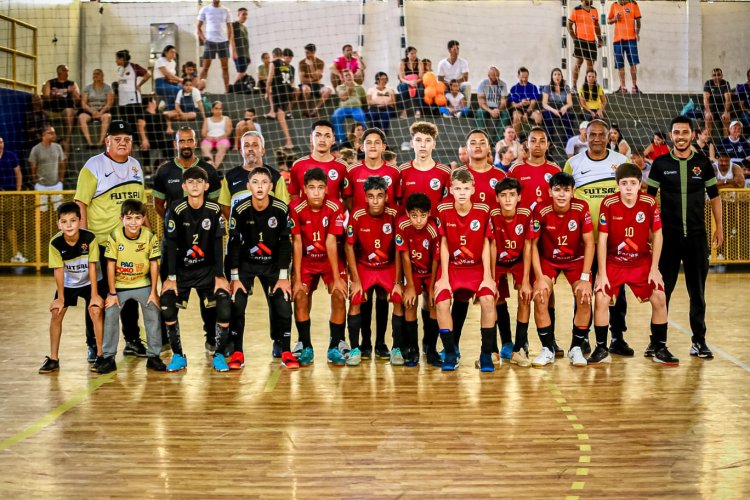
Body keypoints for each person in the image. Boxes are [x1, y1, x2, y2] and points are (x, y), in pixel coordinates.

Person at [646, 115, 722, 359]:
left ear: (692, 134)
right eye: (676, 132)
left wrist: (719, 227)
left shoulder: (703, 163)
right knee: (662, 292)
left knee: (697, 293)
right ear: (671, 136)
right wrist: (649, 232)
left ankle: (698, 341)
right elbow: (648, 200)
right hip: (667, 238)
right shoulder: (659, 164)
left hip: (697, 238)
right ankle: (657, 342)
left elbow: (715, 197)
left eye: (685, 132)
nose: (680, 136)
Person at [591, 163, 677, 365]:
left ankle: (659, 347)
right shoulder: (609, 203)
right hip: (614, 261)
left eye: (632, 183)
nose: (628, 188)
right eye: (624, 183)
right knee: (601, 297)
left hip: (640, 261)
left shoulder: (648, 202)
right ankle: (602, 348)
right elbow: (602, 239)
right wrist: (601, 273)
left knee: (659, 296)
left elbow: (657, 234)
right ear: (617, 185)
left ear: (640, 184)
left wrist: (654, 268)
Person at [75, 120, 147, 357]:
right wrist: (84, 240)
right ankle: (93, 346)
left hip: (129, 243)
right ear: (107, 141)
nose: (122, 143)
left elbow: (140, 206)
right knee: (96, 295)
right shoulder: (93, 166)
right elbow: (81, 204)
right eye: (117, 139)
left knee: (129, 294)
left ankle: (133, 341)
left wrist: (146, 237)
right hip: (101, 243)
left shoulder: (136, 166)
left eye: (127, 139)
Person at [564, 119, 630, 354]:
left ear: (609, 136)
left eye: (602, 134)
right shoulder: (573, 163)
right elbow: (566, 201)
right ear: (586, 135)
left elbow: (629, 197)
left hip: (614, 241)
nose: (598, 138)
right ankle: (582, 337)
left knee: (616, 290)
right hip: (585, 242)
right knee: (583, 288)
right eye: (593, 134)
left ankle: (617, 337)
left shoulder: (621, 162)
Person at [160, 166, 231, 372]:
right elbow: (170, 245)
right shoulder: (176, 208)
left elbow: (219, 244)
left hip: (207, 271)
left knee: (225, 304)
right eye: (190, 182)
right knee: (167, 303)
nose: (195, 185)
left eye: (199, 182)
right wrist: (170, 277)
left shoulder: (214, 209)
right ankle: (178, 355)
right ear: (183, 186)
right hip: (181, 271)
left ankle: (218, 354)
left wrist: (220, 276)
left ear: (206, 186)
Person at [227, 166, 295, 369]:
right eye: (255, 182)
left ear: (271, 186)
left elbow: (285, 243)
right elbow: (233, 244)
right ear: (248, 186)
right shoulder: (239, 210)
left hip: (273, 264)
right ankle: (237, 350)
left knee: (283, 304)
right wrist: (235, 277)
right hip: (246, 264)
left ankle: (285, 350)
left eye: (264, 182)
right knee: (237, 303)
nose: (259, 186)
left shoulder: (281, 209)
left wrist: (284, 276)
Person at [434, 167, 497, 371]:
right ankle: (451, 353)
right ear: (451, 190)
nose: (462, 192)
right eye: (458, 188)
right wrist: (443, 276)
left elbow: (487, 243)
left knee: (488, 300)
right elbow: (443, 242)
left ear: (473, 189)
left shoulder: (483, 210)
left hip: (476, 267)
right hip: (452, 267)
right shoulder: (443, 209)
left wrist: (488, 276)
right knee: (442, 302)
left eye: (466, 188)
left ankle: (486, 354)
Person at [529, 172, 594, 367]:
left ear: (573, 192)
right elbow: (532, 244)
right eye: (557, 190)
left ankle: (576, 348)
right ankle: (548, 348)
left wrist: (584, 278)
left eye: (566, 190)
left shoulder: (581, 208)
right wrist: (539, 277)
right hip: (548, 260)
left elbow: (589, 243)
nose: (561, 194)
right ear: (550, 191)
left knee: (584, 295)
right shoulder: (540, 209)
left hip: (576, 259)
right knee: (540, 294)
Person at [289, 167, 348, 366]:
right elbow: (297, 243)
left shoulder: (335, 206)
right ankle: (305, 345)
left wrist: (338, 278)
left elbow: (332, 242)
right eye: (312, 188)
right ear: (304, 189)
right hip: (306, 260)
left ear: (326, 189)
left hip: (328, 259)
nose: (316, 192)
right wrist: (296, 279)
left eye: (320, 187)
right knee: (299, 295)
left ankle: (335, 344)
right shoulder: (295, 207)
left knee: (339, 293)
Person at [98, 200, 163, 374]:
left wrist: (154, 291)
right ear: (122, 219)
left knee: (153, 315)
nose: (133, 222)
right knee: (110, 313)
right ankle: (108, 357)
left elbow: (154, 264)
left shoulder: (150, 236)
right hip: (120, 286)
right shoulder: (114, 236)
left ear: (143, 219)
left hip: (143, 283)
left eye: (137, 218)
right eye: (129, 218)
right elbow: (110, 265)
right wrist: (112, 293)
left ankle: (154, 356)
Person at [39, 202, 104, 373]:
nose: (69, 225)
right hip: (68, 283)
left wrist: (95, 295)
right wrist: (60, 298)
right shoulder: (55, 242)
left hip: (89, 282)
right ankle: (53, 359)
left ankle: (100, 355)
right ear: (58, 224)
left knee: (96, 310)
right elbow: (58, 270)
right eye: (64, 222)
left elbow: (92, 267)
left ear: (80, 221)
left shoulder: (90, 238)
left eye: (73, 221)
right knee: (56, 313)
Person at [345, 176, 402, 366]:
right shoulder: (357, 215)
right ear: (365, 197)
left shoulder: (395, 213)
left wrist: (398, 281)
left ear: (386, 196)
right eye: (371, 196)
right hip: (364, 266)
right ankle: (359, 346)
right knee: (357, 299)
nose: (375, 201)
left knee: (394, 298)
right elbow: (349, 247)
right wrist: (355, 279)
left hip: (388, 266)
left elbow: (401, 248)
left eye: (379, 196)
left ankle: (388, 346)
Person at [489, 178, 533, 367]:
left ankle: (519, 347)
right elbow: (488, 246)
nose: (508, 199)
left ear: (519, 197)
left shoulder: (526, 214)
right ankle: (499, 346)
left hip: (518, 261)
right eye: (503, 195)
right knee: (492, 297)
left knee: (525, 296)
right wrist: (490, 278)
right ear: (497, 198)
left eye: (512, 195)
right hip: (497, 262)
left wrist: (525, 280)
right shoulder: (491, 215)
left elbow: (529, 246)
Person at [396, 193, 440, 366]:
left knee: (433, 303)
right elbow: (405, 256)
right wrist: (410, 286)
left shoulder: (433, 228)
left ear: (429, 214)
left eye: (422, 215)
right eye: (414, 215)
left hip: (431, 271)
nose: (418, 220)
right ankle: (412, 348)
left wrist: (431, 289)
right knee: (410, 302)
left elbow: (436, 259)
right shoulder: (402, 225)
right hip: (413, 270)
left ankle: (430, 348)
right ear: (407, 214)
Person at [219, 131, 290, 221]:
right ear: (241, 151)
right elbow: (225, 207)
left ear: (263, 151)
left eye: (255, 145)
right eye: (246, 145)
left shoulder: (276, 177)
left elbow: (283, 208)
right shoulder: (230, 176)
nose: (250, 149)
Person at [288, 120, 348, 201]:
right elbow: (294, 194)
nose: (322, 140)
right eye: (318, 135)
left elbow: (347, 198)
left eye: (327, 136)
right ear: (311, 138)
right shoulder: (298, 165)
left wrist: (336, 212)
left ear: (333, 139)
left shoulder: (343, 166)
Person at [399, 121, 451, 211]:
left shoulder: (445, 172)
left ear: (434, 144)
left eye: (427, 140)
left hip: (435, 224)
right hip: (408, 224)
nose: (423, 145)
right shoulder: (401, 171)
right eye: (418, 140)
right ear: (411, 143)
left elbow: (448, 205)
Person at [508, 127, 561, 212]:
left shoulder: (555, 170)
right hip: (523, 222)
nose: (537, 144)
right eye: (533, 141)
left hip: (549, 222)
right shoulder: (515, 169)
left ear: (547, 145)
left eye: (542, 141)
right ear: (527, 144)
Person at [196, 0, 235, 94]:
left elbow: (230, 28)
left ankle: (227, 92)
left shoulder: (226, 10)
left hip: (223, 42)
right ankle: (198, 91)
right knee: (205, 68)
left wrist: (229, 41)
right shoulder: (205, 9)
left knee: (225, 68)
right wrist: (204, 39)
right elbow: (198, 27)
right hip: (210, 42)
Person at [464, 129, 506, 208]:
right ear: (466, 149)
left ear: (489, 148)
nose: (478, 146)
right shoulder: (457, 175)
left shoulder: (501, 175)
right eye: (473, 143)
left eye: (482, 143)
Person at [41, 64, 79, 151]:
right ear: (59, 72)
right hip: (51, 109)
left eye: (67, 71)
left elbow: (77, 100)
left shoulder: (72, 84)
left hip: (66, 108)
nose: (67, 72)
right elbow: (46, 96)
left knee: (69, 111)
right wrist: (53, 95)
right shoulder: (50, 83)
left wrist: (73, 93)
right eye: (64, 70)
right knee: (42, 113)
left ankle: (67, 139)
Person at [608, 0, 642, 94]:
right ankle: (623, 87)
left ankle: (634, 86)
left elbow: (638, 20)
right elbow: (608, 20)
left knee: (633, 63)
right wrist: (614, 19)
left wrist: (637, 33)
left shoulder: (633, 4)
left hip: (631, 39)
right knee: (620, 65)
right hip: (617, 40)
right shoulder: (614, 5)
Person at [29, 126, 66, 212]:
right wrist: (35, 180)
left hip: (56, 184)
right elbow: (33, 166)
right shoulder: (36, 149)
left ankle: (57, 226)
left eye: (54, 133)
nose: (54, 135)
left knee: (59, 210)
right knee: (42, 211)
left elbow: (62, 163)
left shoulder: (58, 147)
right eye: (51, 133)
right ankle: (42, 226)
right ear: (43, 135)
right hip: (41, 185)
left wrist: (61, 178)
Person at [568, 0, 602, 90]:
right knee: (579, 62)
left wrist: (600, 38)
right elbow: (569, 24)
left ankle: (586, 86)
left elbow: (596, 25)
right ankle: (574, 86)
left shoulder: (594, 10)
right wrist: (574, 38)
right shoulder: (576, 10)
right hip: (580, 40)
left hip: (591, 41)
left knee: (590, 66)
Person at [0, 137, 25, 262]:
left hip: (11, 196)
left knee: (12, 225)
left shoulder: (10, 156)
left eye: (2, 141)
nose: (1, 144)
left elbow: (18, 174)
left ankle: (15, 254)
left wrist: (18, 190)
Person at [266, 48, 296, 150]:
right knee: (271, 93)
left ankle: (289, 141)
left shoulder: (273, 63)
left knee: (281, 117)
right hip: (287, 90)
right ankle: (271, 111)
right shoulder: (288, 65)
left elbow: (269, 79)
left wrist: (266, 91)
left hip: (279, 90)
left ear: (273, 55)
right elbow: (291, 81)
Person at [79, 68, 114, 148]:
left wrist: (100, 112)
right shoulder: (87, 88)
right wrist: (92, 112)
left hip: (103, 110)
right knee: (82, 117)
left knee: (107, 117)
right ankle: (89, 142)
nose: (95, 76)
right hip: (90, 111)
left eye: (98, 74)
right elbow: (83, 103)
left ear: (102, 76)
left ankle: (100, 142)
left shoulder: (108, 88)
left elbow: (109, 103)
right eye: (94, 74)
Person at [114, 50, 150, 124]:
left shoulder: (134, 67)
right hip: (122, 101)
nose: (115, 60)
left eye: (117, 58)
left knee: (134, 123)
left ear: (122, 59)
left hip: (133, 100)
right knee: (125, 122)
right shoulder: (120, 69)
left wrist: (139, 85)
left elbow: (148, 74)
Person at [136, 97, 172, 170]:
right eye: (154, 100)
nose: (156, 102)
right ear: (150, 103)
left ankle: (169, 164)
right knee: (144, 145)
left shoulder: (159, 113)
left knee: (170, 142)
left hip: (161, 138)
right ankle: (147, 168)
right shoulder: (144, 114)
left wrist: (169, 127)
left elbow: (167, 118)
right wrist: (144, 139)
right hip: (150, 139)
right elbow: (140, 126)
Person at [333, 69, 367, 144]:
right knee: (335, 116)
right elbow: (342, 97)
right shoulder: (339, 87)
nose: (348, 77)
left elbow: (364, 100)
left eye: (350, 75)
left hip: (356, 108)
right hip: (343, 109)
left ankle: (363, 138)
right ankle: (341, 140)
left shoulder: (360, 87)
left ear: (353, 76)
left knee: (361, 116)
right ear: (343, 78)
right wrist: (349, 88)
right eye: (346, 76)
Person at [541, 68, 575, 143]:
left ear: (562, 77)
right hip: (551, 108)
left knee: (568, 117)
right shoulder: (547, 88)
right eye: (555, 74)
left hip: (563, 108)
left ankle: (568, 142)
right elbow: (544, 104)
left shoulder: (566, 87)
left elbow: (570, 103)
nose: (557, 76)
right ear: (552, 77)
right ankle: (549, 142)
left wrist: (565, 107)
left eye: (559, 74)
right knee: (547, 117)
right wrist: (553, 110)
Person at [476, 66, 510, 141]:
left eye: (498, 76)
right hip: (486, 108)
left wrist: (498, 110)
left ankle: (498, 140)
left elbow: (503, 100)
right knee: (479, 112)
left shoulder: (503, 84)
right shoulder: (482, 84)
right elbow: (481, 101)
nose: (497, 78)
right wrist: (490, 111)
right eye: (494, 76)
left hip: (498, 108)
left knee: (506, 114)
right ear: (489, 76)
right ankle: (482, 137)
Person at [298, 43, 332, 118]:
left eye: (307, 53)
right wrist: (314, 79)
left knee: (328, 90)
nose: (306, 54)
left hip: (317, 85)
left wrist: (311, 66)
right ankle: (307, 110)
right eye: (305, 52)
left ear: (313, 53)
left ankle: (315, 110)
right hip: (306, 85)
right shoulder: (302, 62)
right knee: (306, 89)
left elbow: (316, 76)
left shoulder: (320, 62)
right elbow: (302, 79)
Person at [509, 67, 543, 135]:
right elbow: (513, 105)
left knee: (538, 116)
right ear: (518, 76)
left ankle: (535, 137)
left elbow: (533, 103)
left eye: (526, 77)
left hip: (530, 109)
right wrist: (521, 103)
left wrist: (527, 113)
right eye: (522, 77)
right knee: (517, 117)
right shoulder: (514, 88)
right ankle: (516, 140)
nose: (524, 79)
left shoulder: (533, 87)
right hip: (518, 110)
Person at [437, 40, 470, 106]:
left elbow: (465, 78)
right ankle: (443, 107)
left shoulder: (463, 62)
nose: (457, 51)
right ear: (449, 50)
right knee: (439, 85)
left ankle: (466, 108)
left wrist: (454, 84)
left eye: (458, 49)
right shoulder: (442, 63)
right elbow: (440, 79)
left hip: (458, 84)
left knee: (467, 85)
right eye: (455, 49)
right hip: (446, 84)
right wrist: (449, 84)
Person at [201, 100, 232, 168]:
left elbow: (228, 132)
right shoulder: (207, 120)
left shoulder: (226, 119)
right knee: (204, 148)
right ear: (212, 110)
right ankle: (211, 165)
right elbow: (203, 133)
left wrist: (219, 138)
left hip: (222, 139)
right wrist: (208, 137)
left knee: (222, 148)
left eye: (220, 108)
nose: (218, 110)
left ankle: (215, 168)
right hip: (209, 139)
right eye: (216, 108)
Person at [702, 68, 732, 137]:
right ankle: (708, 142)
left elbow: (728, 99)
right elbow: (705, 98)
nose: (716, 77)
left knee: (726, 118)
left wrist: (726, 112)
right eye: (714, 75)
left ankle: (726, 142)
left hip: (722, 108)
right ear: (712, 76)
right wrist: (708, 112)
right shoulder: (708, 83)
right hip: (711, 108)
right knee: (708, 118)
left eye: (718, 75)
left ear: (722, 75)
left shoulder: (725, 83)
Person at [397, 46, 424, 119]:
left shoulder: (419, 62)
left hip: (416, 82)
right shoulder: (402, 62)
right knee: (402, 86)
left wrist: (415, 81)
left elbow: (421, 77)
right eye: (412, 53)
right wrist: (409, 82)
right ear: (407, 54)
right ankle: (404, 110)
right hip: (406, 82)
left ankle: (418, 110)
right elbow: (401, 78)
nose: (414, 55)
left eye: (415, 53)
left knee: (421, 87)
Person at [153, 45, 183, 111]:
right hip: (160, 84)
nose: (173, 54)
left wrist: (179, 82)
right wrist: (180, 79)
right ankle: (168, 109)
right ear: (166, 52)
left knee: (182, 89)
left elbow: (171, 77)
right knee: (176, 90)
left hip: (170, 83)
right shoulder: (160, 60)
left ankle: (173, 108)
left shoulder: (173, 63)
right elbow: (167, 74)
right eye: (171, 52)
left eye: (174, 52)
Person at [231, 7, 251, 86]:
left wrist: (249, 56)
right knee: (241, 73)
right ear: (238, 15)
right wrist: (233, 51)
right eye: (243, 14)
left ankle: (236, 88)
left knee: (242, 73)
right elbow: (231, 39)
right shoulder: (234, 25)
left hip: (245, 54)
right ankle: (232, 89)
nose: (245, 16)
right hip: (239, 53)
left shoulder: (245, 28)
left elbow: (246, 42)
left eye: (246, 14)